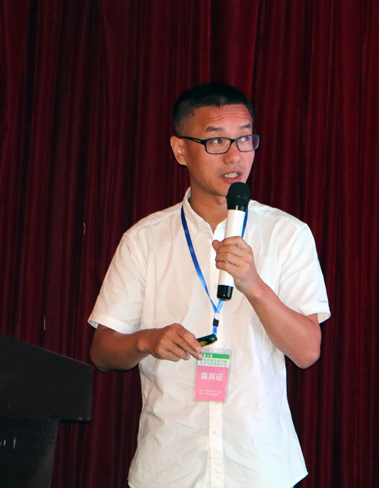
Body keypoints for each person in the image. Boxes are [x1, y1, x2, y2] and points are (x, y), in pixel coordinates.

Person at [88, 82, 331, 488]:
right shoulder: (145, 239)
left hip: (260, 468)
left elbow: (307, 352)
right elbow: (102, 352)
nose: (235, 156)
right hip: (169, 466)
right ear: (180, 149)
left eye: (245, 138)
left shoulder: (287, 234)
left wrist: (253, 284)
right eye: (216, 141)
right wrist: (148, 340)